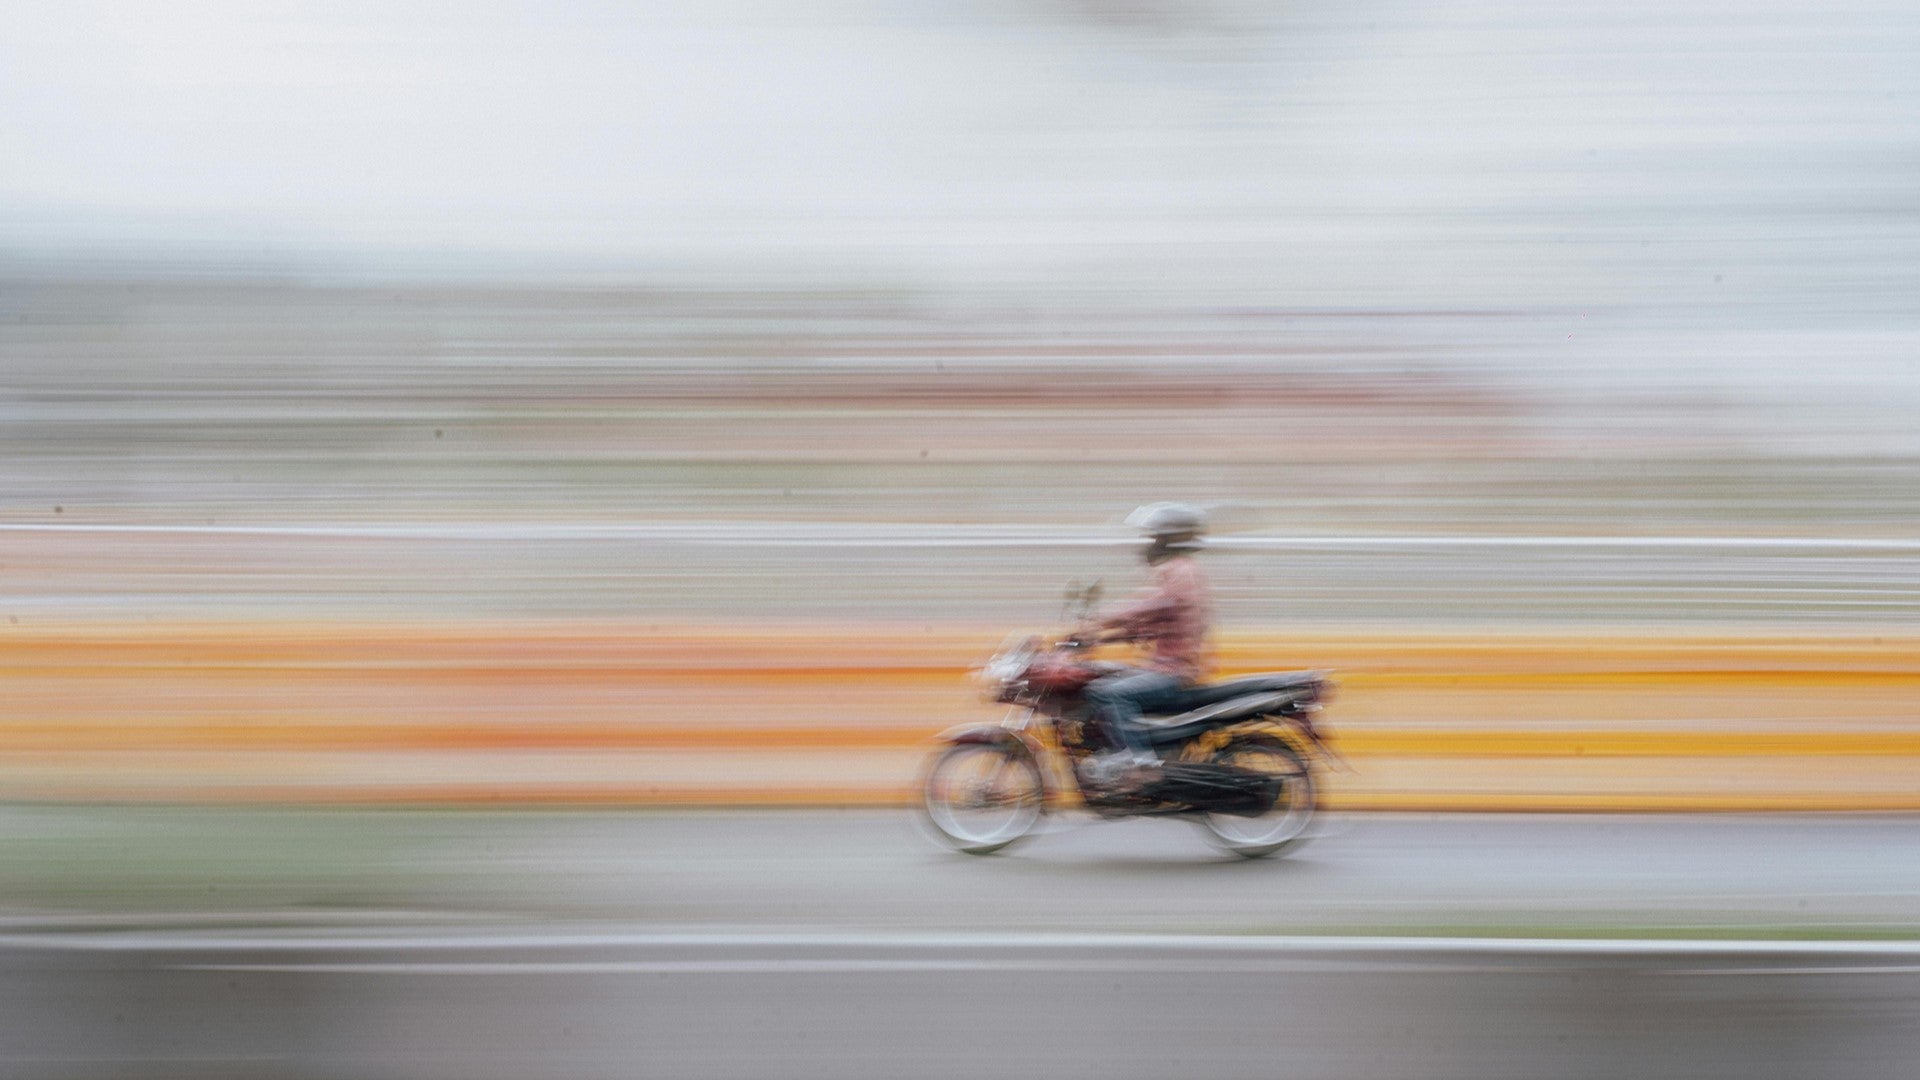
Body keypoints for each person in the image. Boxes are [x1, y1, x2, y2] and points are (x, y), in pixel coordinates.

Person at [1079, 502, 1216, 788]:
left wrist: (1100, 620)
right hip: (1168, 667)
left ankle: (1140, 761)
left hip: (1173, 673)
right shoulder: (1180, 570)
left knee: (1105, 692)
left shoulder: (1180, 571)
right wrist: (1106, 636)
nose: (1148, 545)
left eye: (1154, 538)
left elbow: (1150, 605)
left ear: (1169, 539)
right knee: (1106, 675)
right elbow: (1151, 620)